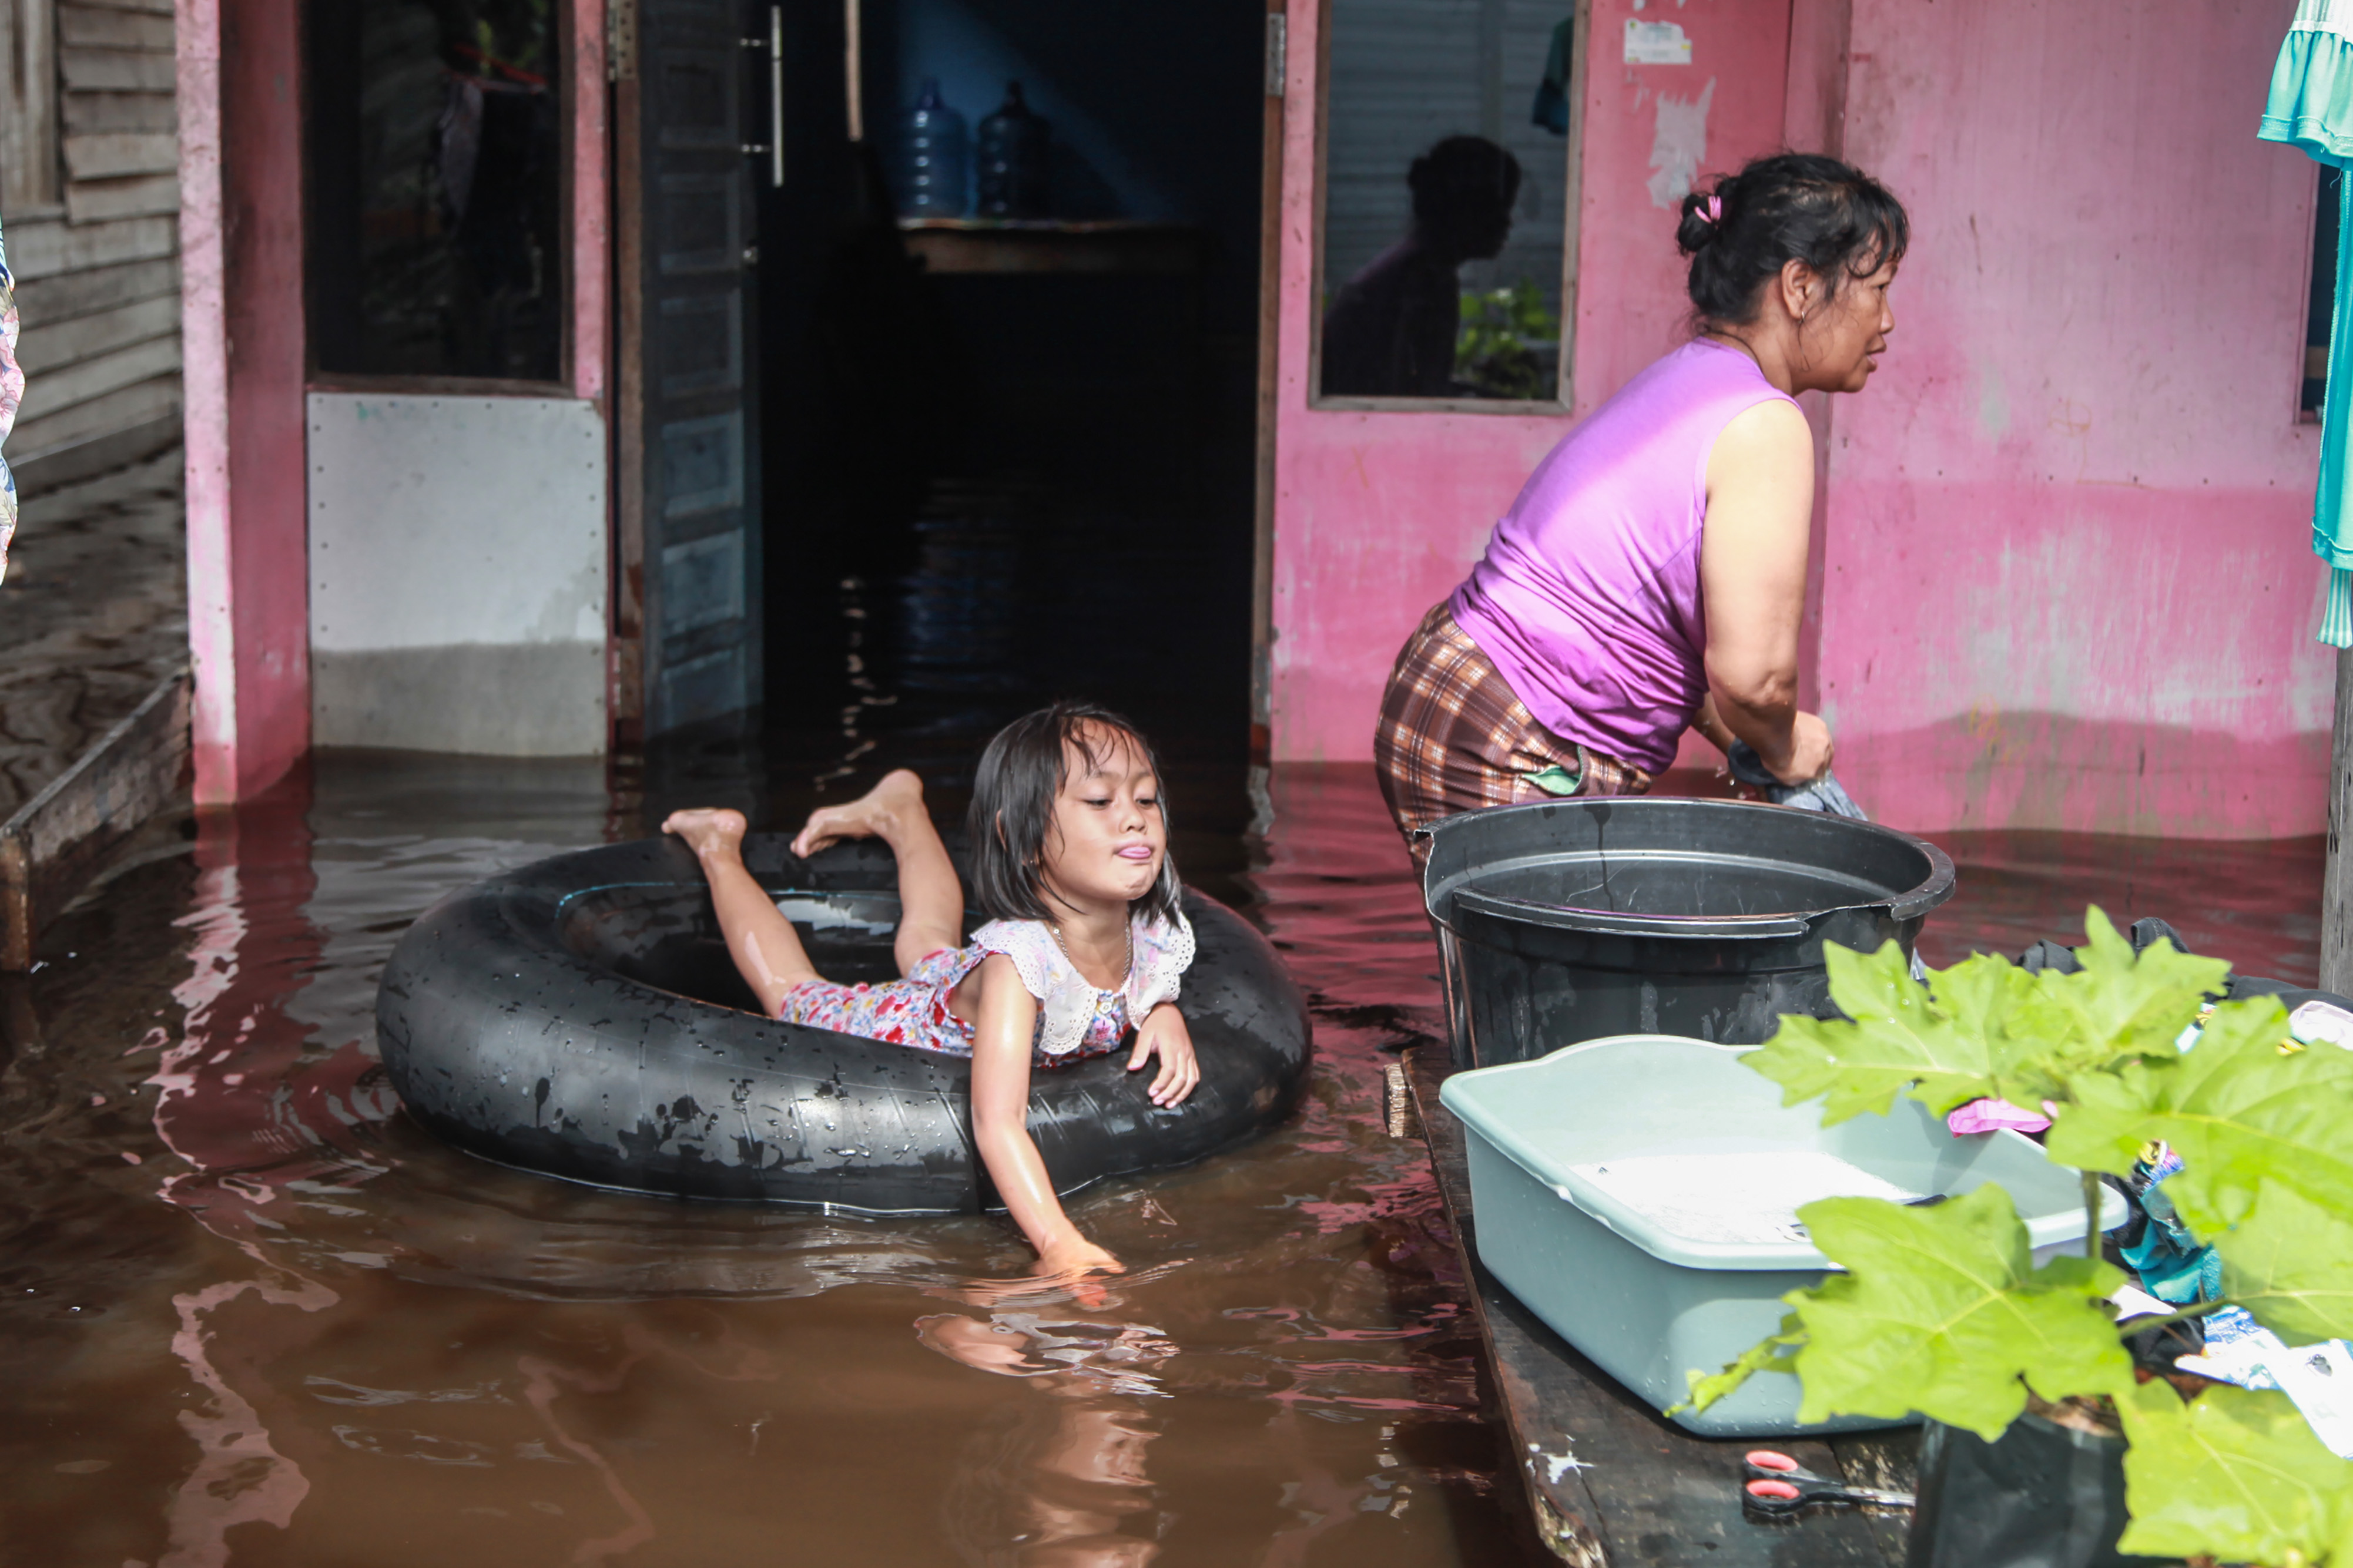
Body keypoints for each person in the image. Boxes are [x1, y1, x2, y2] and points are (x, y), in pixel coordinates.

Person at [1373, 152, 1908, 855]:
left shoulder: (1689, 378)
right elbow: (1753, 679)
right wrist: (1784, 745)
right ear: (1801, 287)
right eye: (1876, 287)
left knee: (1500, 966)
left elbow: (1646, 616)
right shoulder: (1764, 423)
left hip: (1448, 692)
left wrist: (1738, 741)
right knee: (1580, 967)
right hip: (1521, 739)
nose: (1888, 320)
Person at [662, 701, 1199, 1281]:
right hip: (907, 1023)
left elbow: (1147, 979)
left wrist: (1162, 1010)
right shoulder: (1018, 966)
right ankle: (716, 845)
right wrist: (1057, 1242)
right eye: (1100, 801)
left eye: (1145, 797)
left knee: (926, 942)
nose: (1134, 817)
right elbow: (998, 1121)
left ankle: (900, 810)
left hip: (956, 981)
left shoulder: (1150, 924)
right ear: (1022, 838)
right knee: (792, 992)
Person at [1320, 135, 1521, 397]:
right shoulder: (1424, 280)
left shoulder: (1416, 269)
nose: (1508, 223)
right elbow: (1409, 399)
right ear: (1462, 207)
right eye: (1498, 207)